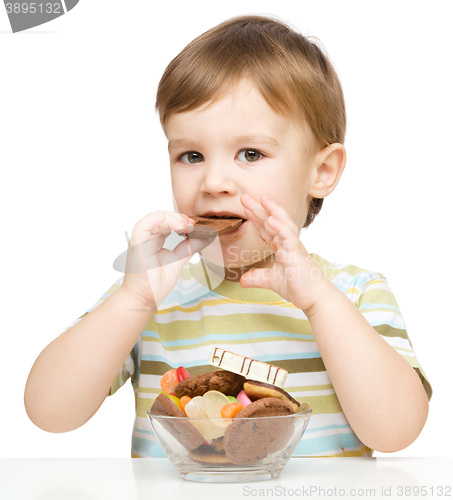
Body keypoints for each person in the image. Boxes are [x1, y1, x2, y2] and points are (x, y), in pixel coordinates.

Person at [24, 14, 431, 458]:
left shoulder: (355, 295)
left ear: (322, 171)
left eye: (250, 153)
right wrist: (134, 300)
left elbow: (396, 432)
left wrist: (318, 300)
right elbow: (49, 413)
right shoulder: (153, 297)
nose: (214, 180)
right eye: (191, 155)